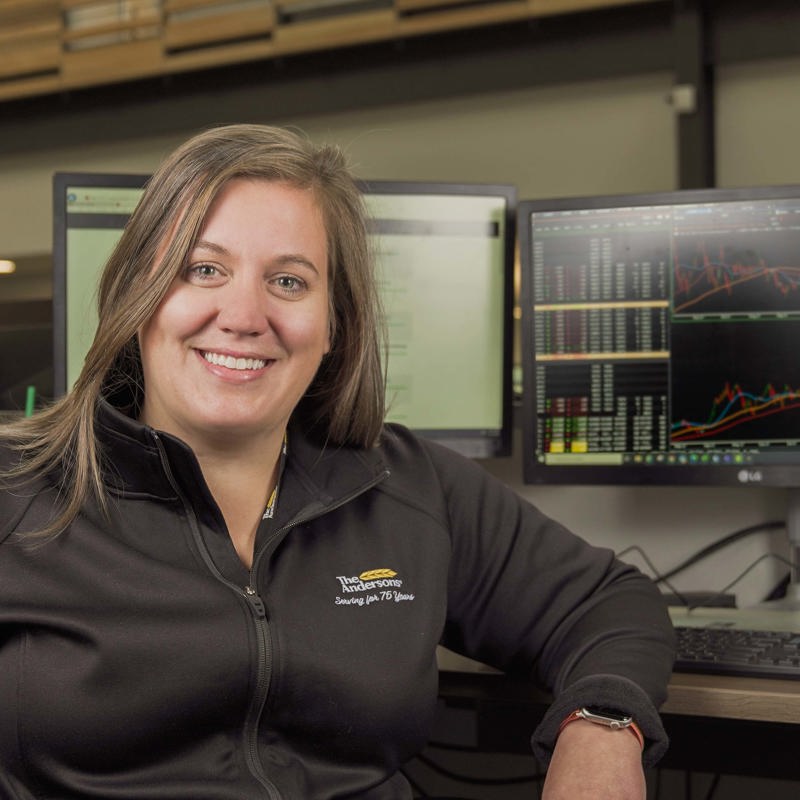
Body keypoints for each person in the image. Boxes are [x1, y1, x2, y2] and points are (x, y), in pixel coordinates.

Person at [0, 124, 675, 800]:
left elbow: (606, 602)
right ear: (136, 294)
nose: (243, 314)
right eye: (203, 269)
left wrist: (600, 728)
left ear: (334, 326)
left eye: (289, 281)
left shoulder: (406, 484)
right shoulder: (17, 490)